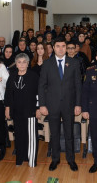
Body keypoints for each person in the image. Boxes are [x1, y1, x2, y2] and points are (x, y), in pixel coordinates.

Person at [38, 37, 82, 172]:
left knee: (69, 134)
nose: (61, 48)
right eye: (58, 46)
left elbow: (78, 85)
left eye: (64, 46)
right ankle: (55, 159)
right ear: (53, 47)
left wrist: (78, 104)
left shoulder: (74, 63)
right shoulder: (46, 64)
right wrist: (42, 105)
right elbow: (41, 86)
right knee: (55, 134)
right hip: (52, 105)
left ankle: (71, 160)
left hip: (69, 105)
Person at [4, 53, 41, 167]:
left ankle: (31, 161)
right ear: (16, 64)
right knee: (19, 136)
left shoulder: (34, 76)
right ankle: (20, 158)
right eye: (19, 62)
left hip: (30, 111)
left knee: (31, 137)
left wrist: (38, 108)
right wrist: (7, 108)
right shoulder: (12, 76)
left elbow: (39, 93)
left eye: (24, 62)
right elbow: (8, 94)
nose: (22, 64)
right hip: (16, 111)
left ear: (28, 63)